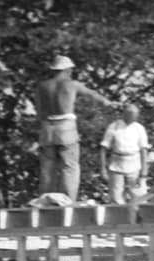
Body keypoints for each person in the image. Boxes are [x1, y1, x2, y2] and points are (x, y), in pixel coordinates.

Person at [32, 55, 116, 201]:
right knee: (69, 167)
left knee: (47, 168)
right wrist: (108, 102)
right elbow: (92, 94)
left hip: (47, 129)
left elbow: (39, 112)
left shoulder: (42, 86)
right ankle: (68, 202)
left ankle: (44, 200)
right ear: (66, 69)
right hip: (66, 127)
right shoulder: (72, 84)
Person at [100, 104, 153, 203]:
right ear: (125, 114)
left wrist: (144, 170)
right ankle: (119, 215)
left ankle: (138, 216)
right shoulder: (114, 126)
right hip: (116, 164)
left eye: (135, 115)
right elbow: (104, 148)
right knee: (116, 197)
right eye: (131, 114)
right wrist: (103, 168)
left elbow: (144, 150)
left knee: (138, 195)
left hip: (134, 164)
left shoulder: (139, 128)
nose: (133, 117)